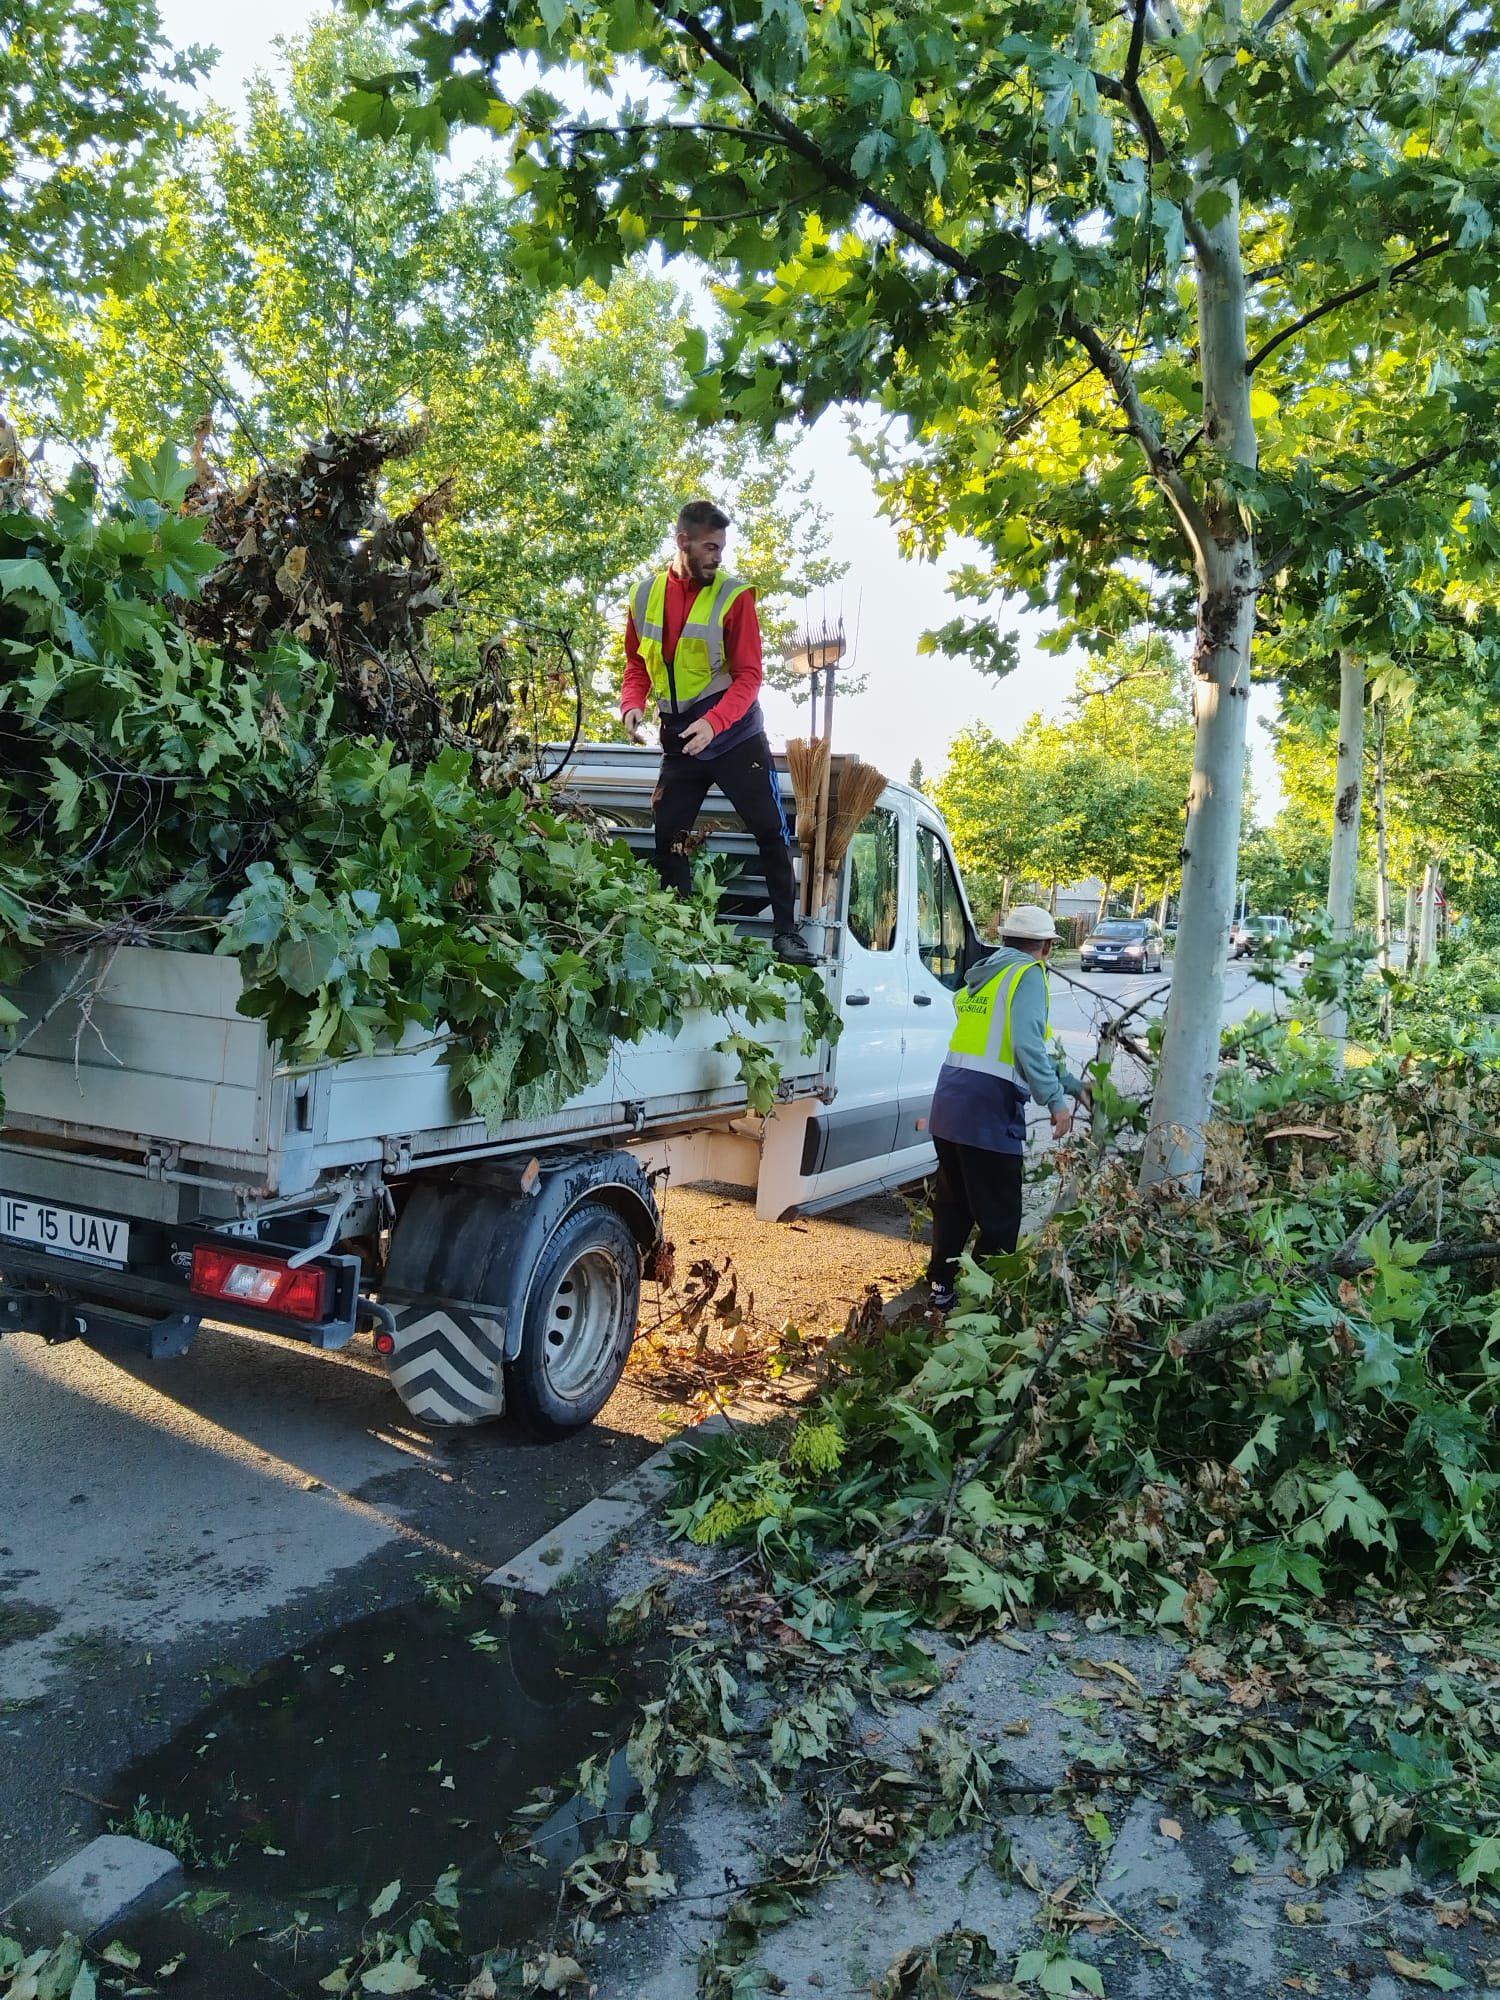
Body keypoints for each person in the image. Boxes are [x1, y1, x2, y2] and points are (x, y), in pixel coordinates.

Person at [622, 499, 816, 966]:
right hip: (679, 739)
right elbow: (636, 663)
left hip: (735, 737)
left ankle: (786, 934)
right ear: (682, 542)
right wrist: (632, 703)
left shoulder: (735, 597)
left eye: (722, 548)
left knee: (771, 831)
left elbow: (750, 677)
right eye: (710, 547)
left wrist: (714, 723)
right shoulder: (643, 596)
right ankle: (682, 933)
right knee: (668, 837)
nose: (718, 557)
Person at [925, 903, 1086, 1312]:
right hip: (988, 1110)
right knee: (1000, 1216)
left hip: (950, 1101)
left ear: (1005, 941)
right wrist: (1057, 1101)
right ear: (1047, 947)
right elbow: (1027, 1045)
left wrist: (1073, 1085)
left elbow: (1019, 1045)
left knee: (954, 1204)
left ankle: (941, 1290)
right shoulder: (1028, 974)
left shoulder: (985, 975)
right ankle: (983, 1305)